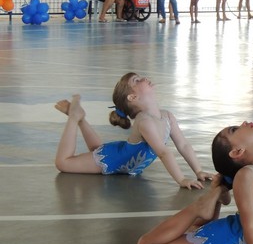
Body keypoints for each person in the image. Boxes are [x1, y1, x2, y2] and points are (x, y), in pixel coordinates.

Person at [54, 74, 212, 189]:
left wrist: (198, 171)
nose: (143, 78)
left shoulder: (167, 116)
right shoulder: (144, 122)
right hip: (112, 160)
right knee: (63, 163)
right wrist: (181, 179)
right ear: (132, 97)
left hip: (120, 155)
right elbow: (163, 153)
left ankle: (81, 119)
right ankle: (74, 117)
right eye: (136, 80)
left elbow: (183, 145)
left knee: (97, 149)